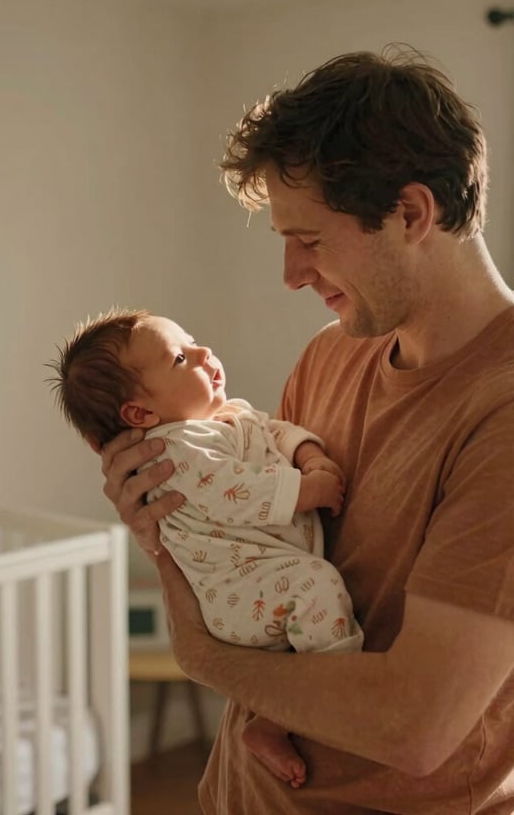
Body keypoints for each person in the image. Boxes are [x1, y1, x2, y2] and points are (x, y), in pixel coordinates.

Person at [99, 46, 514, 815]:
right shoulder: (332, 355)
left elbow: (413, 725)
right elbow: (263, 565)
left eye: (309, 239)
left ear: (411, 213)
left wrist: (200, 652)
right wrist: (166, 517)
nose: (291, 273)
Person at [48, 308, 364, 788]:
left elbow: (273, 431)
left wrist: (309, 454)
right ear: (140, 414)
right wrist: (307, 490)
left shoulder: (225, 418)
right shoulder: (174, 451)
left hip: (265, 575)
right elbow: (235, 490)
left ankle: (272, 721)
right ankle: (327, 702)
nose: (203, 352)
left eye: (192, 341)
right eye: (179, 358)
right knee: (318, 587)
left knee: (308, 604)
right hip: (238, 594)